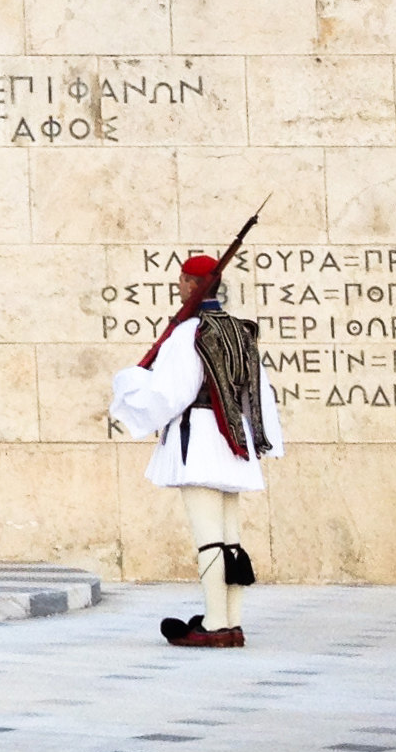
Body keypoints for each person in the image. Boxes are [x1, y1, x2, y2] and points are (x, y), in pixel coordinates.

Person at [109, 252, 283, 649]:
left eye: (183, 280)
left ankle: (216, 624)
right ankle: (232, 621)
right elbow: (259, 393)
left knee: (209, 538)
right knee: (230, 539)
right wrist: (258, 440)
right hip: (234, 442)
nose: (179, 286)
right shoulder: (240, 330)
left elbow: (171, 394)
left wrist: (129, 383)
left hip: (200, 440)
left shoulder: (190, 334)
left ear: (192, 285)